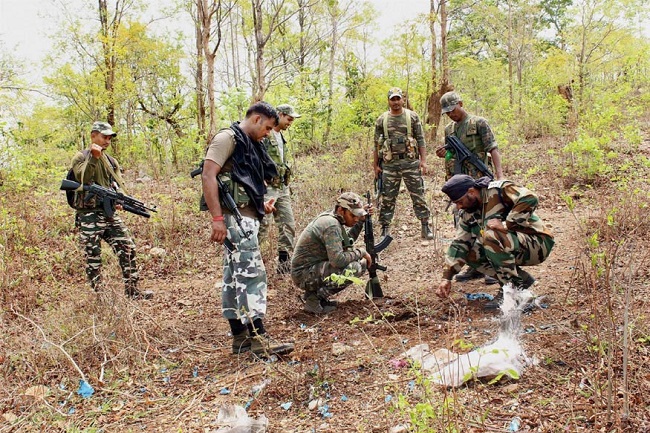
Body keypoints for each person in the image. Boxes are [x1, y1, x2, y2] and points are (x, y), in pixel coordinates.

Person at [201, 101, 294, 356]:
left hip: (245, 216)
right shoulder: (227, 138)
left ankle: (240, 338)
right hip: (234, 220)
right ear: (255, 120)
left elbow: (240, 181)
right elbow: (209, 175)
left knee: (234, 278)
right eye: (266, 128)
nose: (267, 133)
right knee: (252, 275)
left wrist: (261, 204)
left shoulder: (249, 144)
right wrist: (217, 218)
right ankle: (259, 339)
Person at [435, 175, 555, 310]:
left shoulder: (499, 190)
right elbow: (460, 243)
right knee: (470, 252)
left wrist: (507, 224)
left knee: (491, 235)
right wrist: (447, 277)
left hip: (537, 243)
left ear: (471, 192)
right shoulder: (468, 212)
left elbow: (530, 197)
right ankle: (517, 283)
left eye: (460, 201)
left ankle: (515, 293)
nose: (459, 206)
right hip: (513, 245)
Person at [70, 121, 153, 300]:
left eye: (109, 138)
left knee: (128, 248)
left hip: (108, 214)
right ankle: (100, 296)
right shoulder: (80, 157)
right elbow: (83, 179)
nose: (107, 141)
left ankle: (133, 291)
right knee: (93, 256)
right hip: (89, 216)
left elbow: (117, 184)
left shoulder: (110, 161)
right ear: (93, 135)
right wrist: (93, 157)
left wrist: (119, 199)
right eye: (104, 137)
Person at [435, 91, 504, 285]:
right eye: (447, 112)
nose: (451, 114)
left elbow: (493, 148)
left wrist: (499, 176)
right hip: (460, 189)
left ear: (461, 104)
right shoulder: (449, 130)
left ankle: (493, 267)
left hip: (480, 184)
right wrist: (444, 153)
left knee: (486, 225)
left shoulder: (479, 123)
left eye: (453, 110)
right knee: (463, 226)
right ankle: (475, 266)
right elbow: (450, 154)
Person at [291, 192, 372, 314]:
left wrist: (360, 221)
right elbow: (338, 260)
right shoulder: (331, 225)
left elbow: (345, 243)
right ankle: (314, 299)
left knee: (356, 262)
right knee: (354, 268)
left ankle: (314, 296)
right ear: (341, 210)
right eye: (353, 215)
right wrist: (361, 252)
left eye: (357, 215)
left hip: (309, 269)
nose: (355, 218)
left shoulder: (333, 218)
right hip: (303, 274)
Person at [373, 87, 434, 240]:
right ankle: (385, 229)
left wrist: (424, 161)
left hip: (411, 163)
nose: (395, 102)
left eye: (398, 98)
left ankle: (425, 226)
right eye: (392, 99)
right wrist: (375, 166)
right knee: (387, 198)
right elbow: (376, 145)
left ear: (403, 99)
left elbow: (421, 139)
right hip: (389, 165)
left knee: (418, 195)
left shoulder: (412, 117)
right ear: (388, 101)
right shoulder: (382, 120)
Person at [258, 104, 300, 274]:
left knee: (288, 224)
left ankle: (284, 264)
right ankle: (252, 263)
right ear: (280, 115)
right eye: (289, 119)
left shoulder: (281, 137)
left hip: (282, 187)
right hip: (268, 188)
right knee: (262, 226)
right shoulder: (265, 135)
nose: (290, 123)